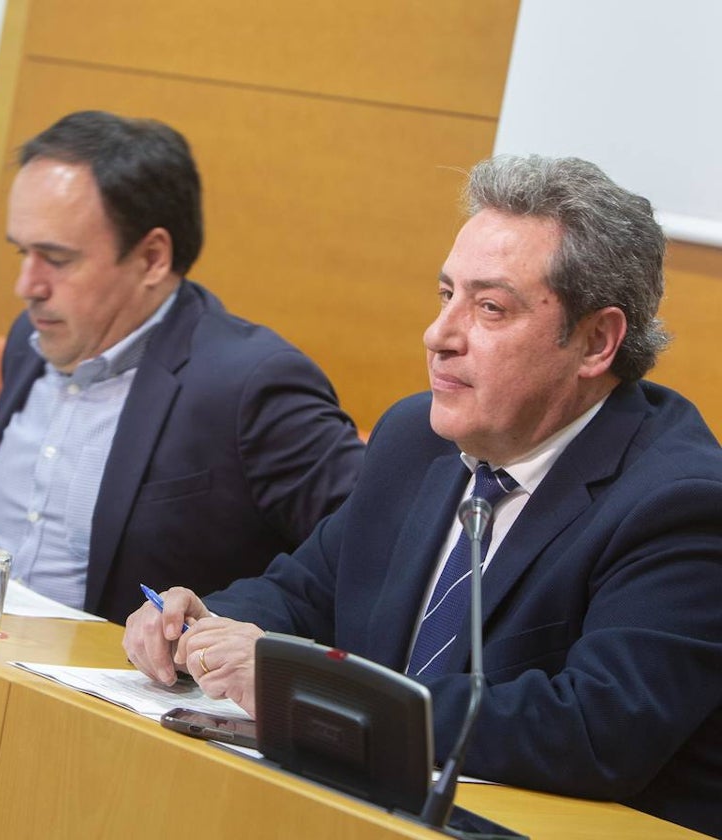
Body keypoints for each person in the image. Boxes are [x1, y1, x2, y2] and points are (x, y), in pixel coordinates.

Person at [123, 155, 722, 836]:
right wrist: (201, 625)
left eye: (490, 308)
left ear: (597, 341)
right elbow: (306, 592)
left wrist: (307, 691)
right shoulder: (418, 438)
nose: (439, 336)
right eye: (446, 296)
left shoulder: (683, 504)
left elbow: (593, 731)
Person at [0, 111, 364, 624]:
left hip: (115, 690)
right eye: (22, 253)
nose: (27, 285)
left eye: (55, 259)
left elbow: (371, 555)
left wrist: (224, 624)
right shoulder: (31, 340)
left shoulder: (250, 384)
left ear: (151, 258)